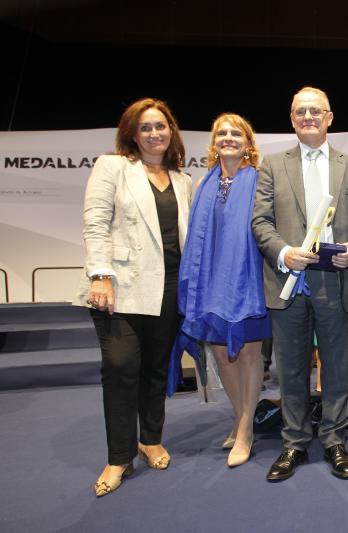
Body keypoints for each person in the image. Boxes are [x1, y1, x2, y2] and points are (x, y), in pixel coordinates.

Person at [252, 86, 348, 481]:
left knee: (338, 367)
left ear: (329, 117)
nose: (308, 117)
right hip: (288, 282)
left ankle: (334, 439)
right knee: (290, 370)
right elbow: (261, 223)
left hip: (336, 283)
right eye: (300, 112)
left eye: (315, 111)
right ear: (291, 119)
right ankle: (294, 442)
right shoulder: (271, 165)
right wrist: (284, 252)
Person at [74, 98, 192, 497]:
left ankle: (151, 438)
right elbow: (95, 222)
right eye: (146, 127)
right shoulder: (113, 167)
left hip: (170, 288)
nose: (155, 133)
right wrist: (101, 275)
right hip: (119, 287)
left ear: (171, 131)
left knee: (157, 369)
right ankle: (118, 456)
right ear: (132, 133)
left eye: (161, 126)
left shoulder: (182, 179)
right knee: (121, 368)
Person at [171, 113, 271, 468]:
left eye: (236, 133)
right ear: (214, 142)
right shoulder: (203, 184)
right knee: (220, 352)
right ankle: (241, 416)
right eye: (222, 133)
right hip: (211, 285)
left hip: (247, 281)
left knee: (247, 354)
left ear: (248, 142)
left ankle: (244, 429)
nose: (228, 138)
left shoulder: (259, 181)